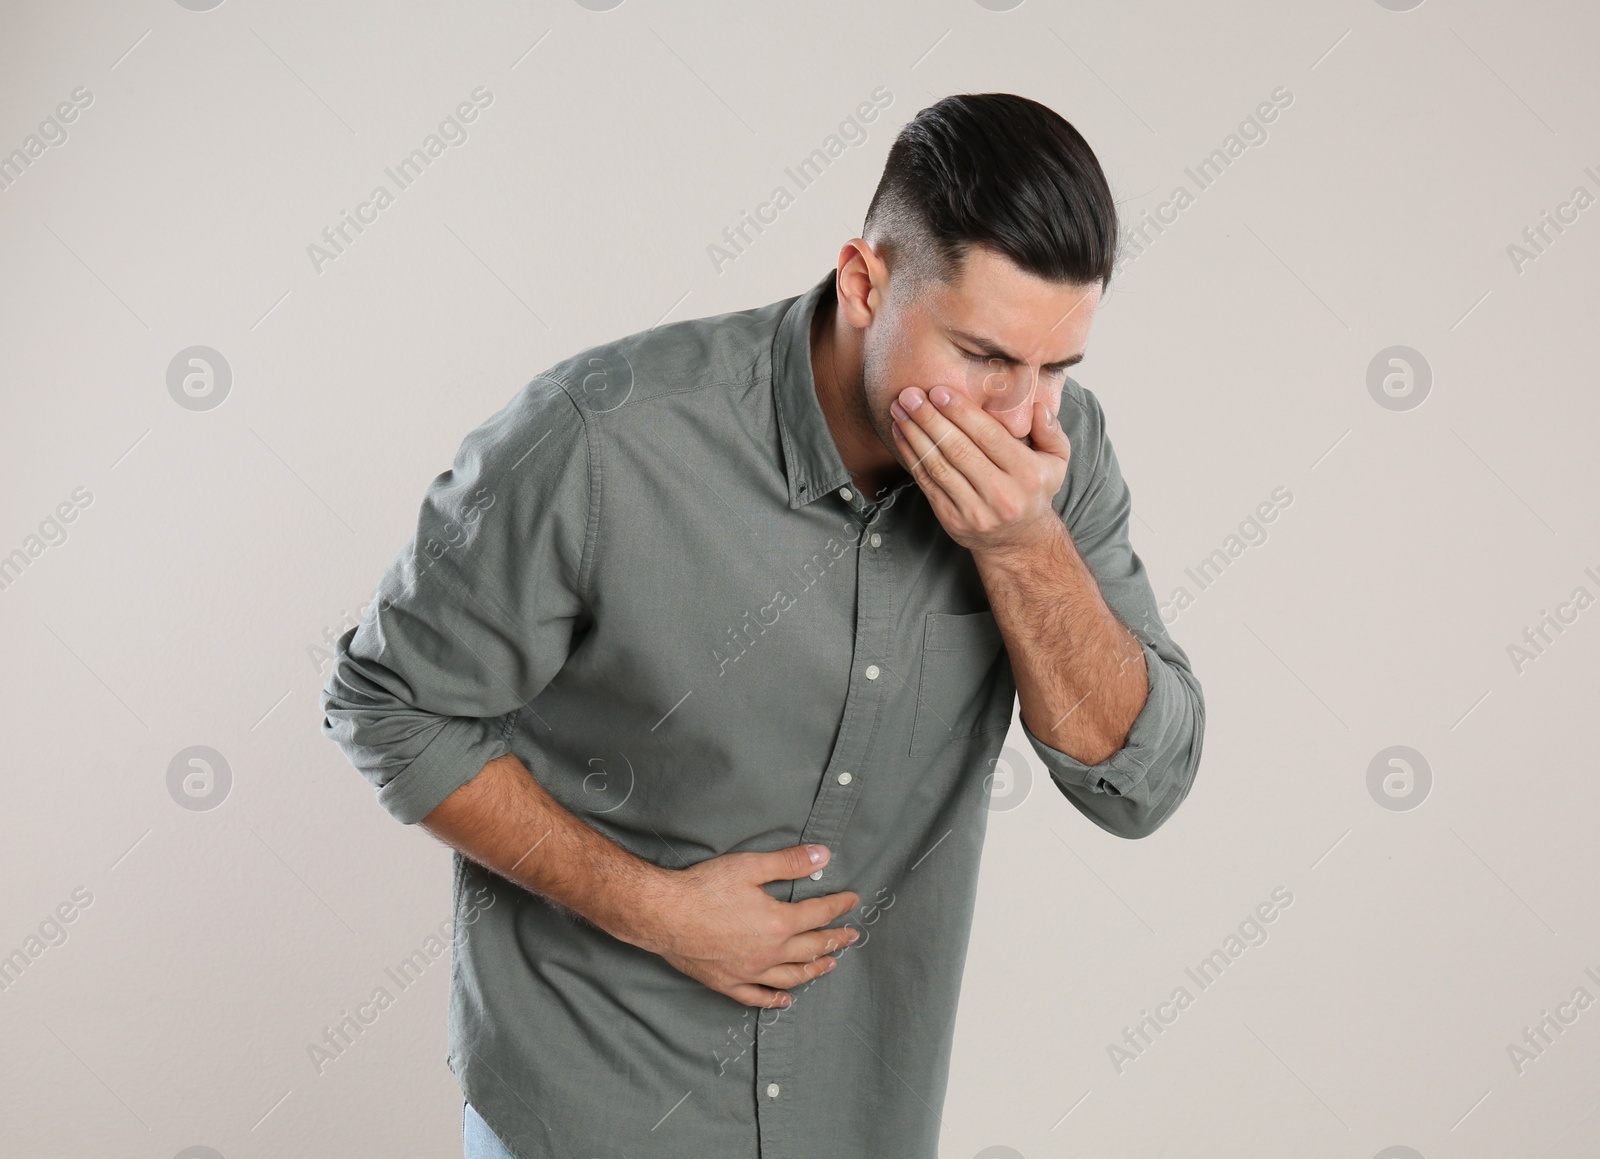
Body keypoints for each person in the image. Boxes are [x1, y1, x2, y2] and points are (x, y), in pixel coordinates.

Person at [320, 91, 1205, 1159]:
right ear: (865, 282)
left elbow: (1140, 784)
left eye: (1054, 370)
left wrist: (1023, 552)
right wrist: (653, 908)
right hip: (590, 1107)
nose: (1022, 415)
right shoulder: (601, 442)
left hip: (855, 1117)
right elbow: (388, 704)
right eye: (982, 355)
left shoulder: (1052, 472)